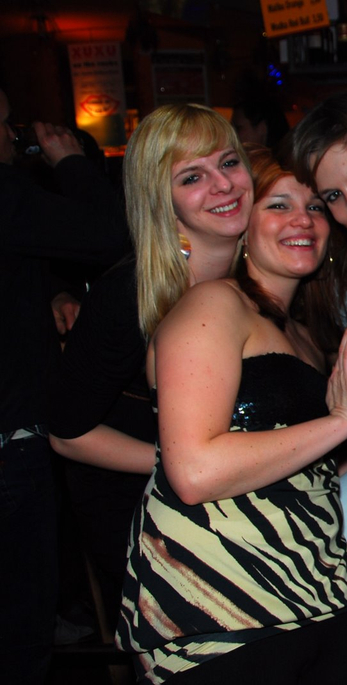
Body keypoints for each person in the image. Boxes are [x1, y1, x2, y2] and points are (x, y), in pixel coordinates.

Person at [116, 146, 347, 683]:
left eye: (316, 207)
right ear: (244, 225)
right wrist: (341, 421)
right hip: (221, 597)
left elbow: (298, 460)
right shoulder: (213, 304)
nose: (303, 220)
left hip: (315, 580)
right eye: (278, 205)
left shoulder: (304, 335)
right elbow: (194, 471)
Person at [46, 103, 253, 635]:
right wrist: (184, 462)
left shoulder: (264, 276)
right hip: (144, 518)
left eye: (228, 163)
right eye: (192, 177)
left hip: (237, 503)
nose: (223, 185)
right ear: (160, 199)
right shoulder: (129, 294)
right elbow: (67, 433)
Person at [0, 85, 129, 684]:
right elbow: (107, 232)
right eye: (6, 124)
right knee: (21, 634)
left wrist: (50, 292)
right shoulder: (7, 192)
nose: (13, 137)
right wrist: (71, 160)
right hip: (9, 444)